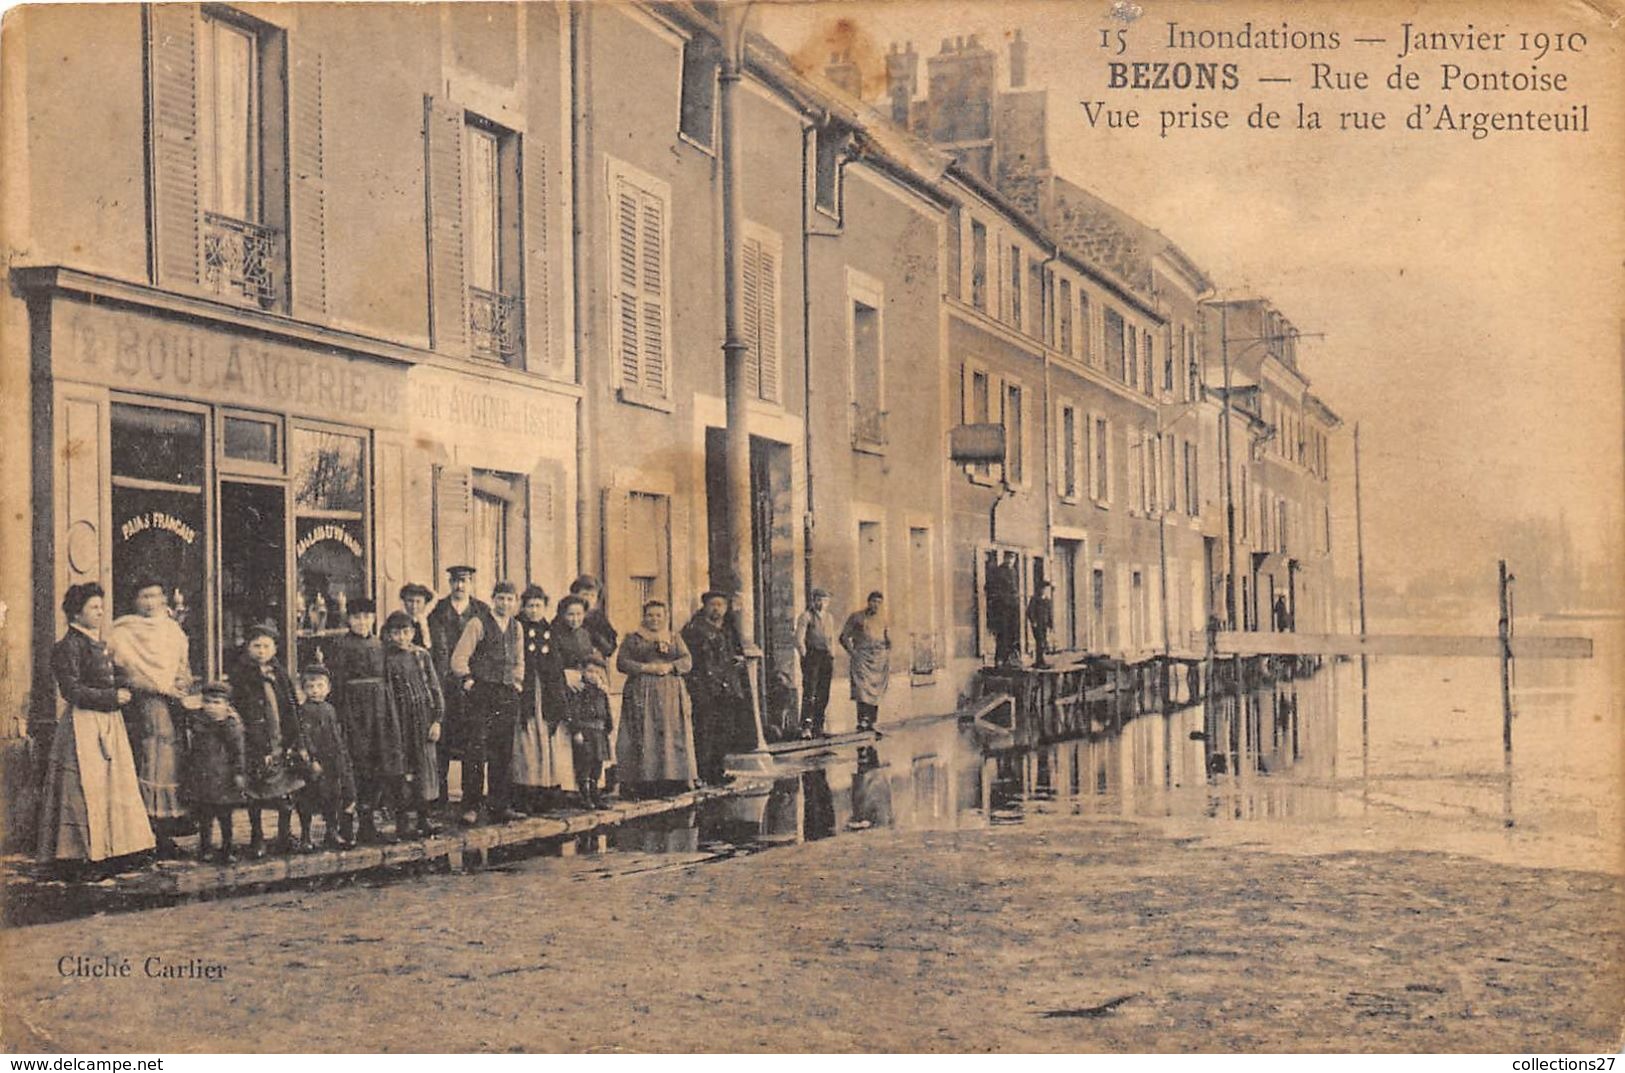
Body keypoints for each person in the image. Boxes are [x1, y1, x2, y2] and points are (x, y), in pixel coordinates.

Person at [36, 583, 155, 874]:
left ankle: (118, 849)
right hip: (84, 724)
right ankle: (83, 855)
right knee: (86, 788)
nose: (100, 612)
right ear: (76, 612)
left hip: (108, 721)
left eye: (102, 607)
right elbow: (72, 690)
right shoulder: (67, 647)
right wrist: (111, 697)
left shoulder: (98, 643)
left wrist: (123, 687)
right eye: (94, 607)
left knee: (114, 787)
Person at [106, 579, 193, 858]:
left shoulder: (172, 629)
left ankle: (165, 834)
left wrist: (180, 685)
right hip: (141, 706)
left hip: (173, 705)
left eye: (156, 595)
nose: (150, 602)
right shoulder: (122, 631)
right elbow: (123, 668)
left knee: (170, 765)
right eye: (144, 596)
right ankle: (144, 834)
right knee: (149, 763)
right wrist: (153, 686)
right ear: (134, 600)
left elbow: (183, 666)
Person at [326, 598, 402, 844]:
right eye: (356, 617)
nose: (361, 622)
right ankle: (347, 826)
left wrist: (388, 713)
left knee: (376, 766)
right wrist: (341, 715)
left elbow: (388, 680)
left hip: (379, 712)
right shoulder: (340, 645)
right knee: (355, 766)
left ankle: (368, 824)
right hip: (354, 712)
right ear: (349, 620)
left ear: (372, 619)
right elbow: (335, 683)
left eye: (366, 617)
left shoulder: (380, 645)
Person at [229, 623, 308, 858]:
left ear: (274, 648)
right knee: (256, 793)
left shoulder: (280, 674)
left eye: (266, 646)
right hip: (255, 743)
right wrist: (257, 743)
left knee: (285, 791)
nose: (261, 651)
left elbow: (292, 708)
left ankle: (284, 834)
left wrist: (297, 739)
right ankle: (257, 836)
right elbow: (243, 712)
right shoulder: (241, 676)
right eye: (256, 646)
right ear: (247, 648)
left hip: (280, 740)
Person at [450, 580, 525, 825]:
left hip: (506, 693)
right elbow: (459, 657)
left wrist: (517, 682)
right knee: (476, 749)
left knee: (502, 750)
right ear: (493, 599)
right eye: (501, 598)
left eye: (510, 599)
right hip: (482, 693)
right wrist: (469, 680)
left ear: (515, 602)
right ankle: (470, 806)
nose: (505, 603)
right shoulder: (478, 622)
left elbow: (519, 660)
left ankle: (499, 804)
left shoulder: (517, 627)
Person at [615, 600, 697, 799]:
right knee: (643, 733)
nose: (654, 619)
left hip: (670, 693)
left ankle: (672, 779)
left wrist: (670, 667)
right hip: (642, 692)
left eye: (658, 615)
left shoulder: (674, 637)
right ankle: (643, 781)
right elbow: (622, 662)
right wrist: (644, 668)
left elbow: (687, 660)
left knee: (670, 734)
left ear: (665, 617)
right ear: (644, 617)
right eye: (650, 615)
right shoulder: (634, 639)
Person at [427, 565, 488, 812]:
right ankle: (440, 796)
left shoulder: (481, 611)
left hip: (473, 685)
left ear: (471, 582)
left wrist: (475, 676)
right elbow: (436, 649)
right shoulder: (439, 611)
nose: (459, 586)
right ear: (449, 583)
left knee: (474, 743)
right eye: (455, 581)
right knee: (443, 741)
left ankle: (470, 799)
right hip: (446, 686)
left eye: (464, 581)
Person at [381, 610, 444, 838]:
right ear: (388, 635)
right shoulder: (386, 659)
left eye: (406, 631)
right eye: (396, 632)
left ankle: (424, 818)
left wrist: (437, 720)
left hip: (423, 719)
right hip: (399, 721)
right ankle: (403, 822)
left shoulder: (421, 656)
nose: (401, 637)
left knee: (424, 769)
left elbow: (435, 689)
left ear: (413, 632)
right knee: (402, 770)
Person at [511, 585, 573, 812]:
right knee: (525, 740)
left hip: (546, 692)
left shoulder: (550, 630)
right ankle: (525, 790)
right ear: (523, 606)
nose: (534, 610)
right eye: (529, 605)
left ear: (544, 607)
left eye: (538, 605)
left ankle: (545, 789)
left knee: (546, 739)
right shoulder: (516, 627)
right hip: (525, 690)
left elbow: (556, 664)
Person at [682, 591, 748, 786]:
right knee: (705, 730)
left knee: (725, 730)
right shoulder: (694, 630)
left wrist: (739, 660)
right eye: (712, 604)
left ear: (726, 608)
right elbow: (688, 659)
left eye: (720, 605)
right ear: (705, 607)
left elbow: (738, 651)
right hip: (705, 688)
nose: (716, 608)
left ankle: (718, 771)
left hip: (727, 686)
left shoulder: (729, 629)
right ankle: (702, 773)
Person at [554, 595, 614, 808]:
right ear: (562, 615)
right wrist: (566, 677)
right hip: (567, 688)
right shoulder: (556, 635)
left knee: (591, 752)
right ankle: (574, 790)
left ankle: (592, 790)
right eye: (570, 614)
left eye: (579, 614)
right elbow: (553, 664)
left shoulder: (585, 635)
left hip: (586, 687)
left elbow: (593, 660)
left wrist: (597, 678)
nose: (574, 619)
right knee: (573, 742)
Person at [292, 664, 356, 851]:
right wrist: (311, 760)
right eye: (310, 687)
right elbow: (302, 736)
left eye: (320, 686)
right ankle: (306, 836)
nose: (315, 691)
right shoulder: (303, 711)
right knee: (307, 799)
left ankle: (331, 831)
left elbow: (336, 735)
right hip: (313, 763)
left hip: (331, 761)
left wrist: (341, 758)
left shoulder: (329, 709)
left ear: (328, 688)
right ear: (303, 689)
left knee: (332, 797)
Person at [187, 681, 246, 864]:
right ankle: (206, 848)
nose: (212, 707)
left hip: (224, 779)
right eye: (208, 702)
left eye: (217, 702)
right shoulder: (198, 722)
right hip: (203, 778)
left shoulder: (231, 726)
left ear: (227, 705)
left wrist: (239, 773)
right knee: (205, 817)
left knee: (225, 817)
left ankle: (228, 848)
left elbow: (238, 751)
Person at [840, 591, 892, 734]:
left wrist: (886, 654)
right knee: (862, 690)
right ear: (868, 602)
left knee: (875, 691)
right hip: (861, 658)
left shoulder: (883, 619)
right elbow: (843, 637)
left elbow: (888, 639)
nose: (875, 605)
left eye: (879, 602)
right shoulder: (856, 617)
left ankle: (873, 721)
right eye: (873, 601)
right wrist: (853, 653)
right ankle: (862, 720)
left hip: (878, 659)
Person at [794, 587, 837, 739]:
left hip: (825, 656)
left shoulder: (829, 618)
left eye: (825, 600)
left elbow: (831, 638)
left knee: (823, 692)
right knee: (810, 691)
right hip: (812, 656)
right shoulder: (806, 616)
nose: (821, 603)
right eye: (818, 599)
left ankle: (819, 726)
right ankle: (806, 727)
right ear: (813, 600)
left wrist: (832, 654)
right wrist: (805, 655)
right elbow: (799, 639)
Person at [1027, 582, 1055, 668]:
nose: (1044, 591)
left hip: (1044, 624)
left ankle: (1041, 660)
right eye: (1043, 589)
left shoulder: (1047, 601)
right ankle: (1040, 661)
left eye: (1046, 589)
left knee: (1043, 641)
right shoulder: (1035, 599)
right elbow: (1029, 611)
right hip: (1037, 624)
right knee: (1040, 641)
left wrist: (1051, 625)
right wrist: (1033, 621)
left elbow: (1050, 614)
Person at [399, 583, 435, 649]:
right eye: (410, 601)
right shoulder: (396, 621)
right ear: (404, 602)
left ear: (425, 603)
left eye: (418, 602)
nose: (414, 606)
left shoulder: (433, 624)